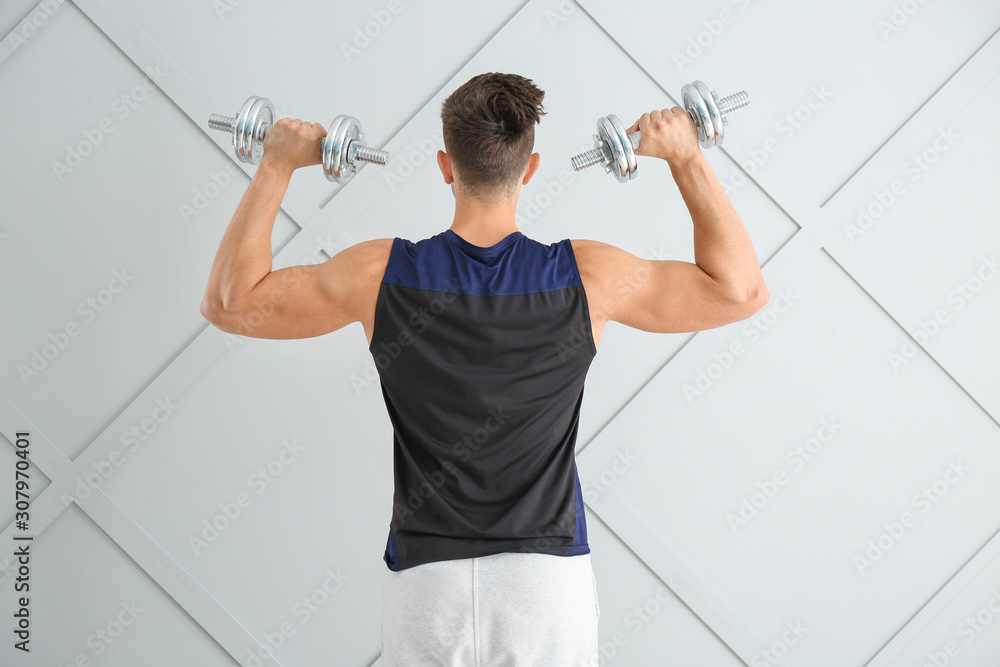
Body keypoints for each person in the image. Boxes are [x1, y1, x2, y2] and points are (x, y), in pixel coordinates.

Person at [200, 72, 768, 666]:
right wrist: (684, 156)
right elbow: (740, 292)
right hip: (544, 584)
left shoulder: (378, 274)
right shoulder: (587, 277)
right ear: (531, 167)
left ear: (446, 166)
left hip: (427, 583)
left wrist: (278, 164)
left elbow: (230, 302)